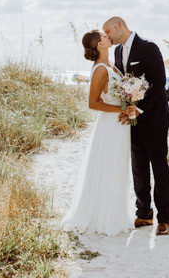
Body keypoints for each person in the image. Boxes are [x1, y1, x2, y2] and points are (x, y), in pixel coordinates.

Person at [60, 30, 139, 235]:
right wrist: (121, 110)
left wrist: (129, 104)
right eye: (103, 36)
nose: (107, 36)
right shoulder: (100, 70)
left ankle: (115, 213)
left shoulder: (111, 65)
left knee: (117, 168)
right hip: (109, 125)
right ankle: (103, 217)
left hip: (120, 124)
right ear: (100, 45)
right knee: (107, 167)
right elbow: (93, 103)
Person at [103, 16, 169, 236]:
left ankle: (164, 219)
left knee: (159, 167)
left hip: (154, 117)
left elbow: (158, 83)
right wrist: (127, 109)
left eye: (108, 31)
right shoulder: (116, 52)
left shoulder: (148, 47)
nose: (107, 36)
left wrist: (139, 109)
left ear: (119, 25)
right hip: (131, 119)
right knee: (138, 166)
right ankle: (143, 213)